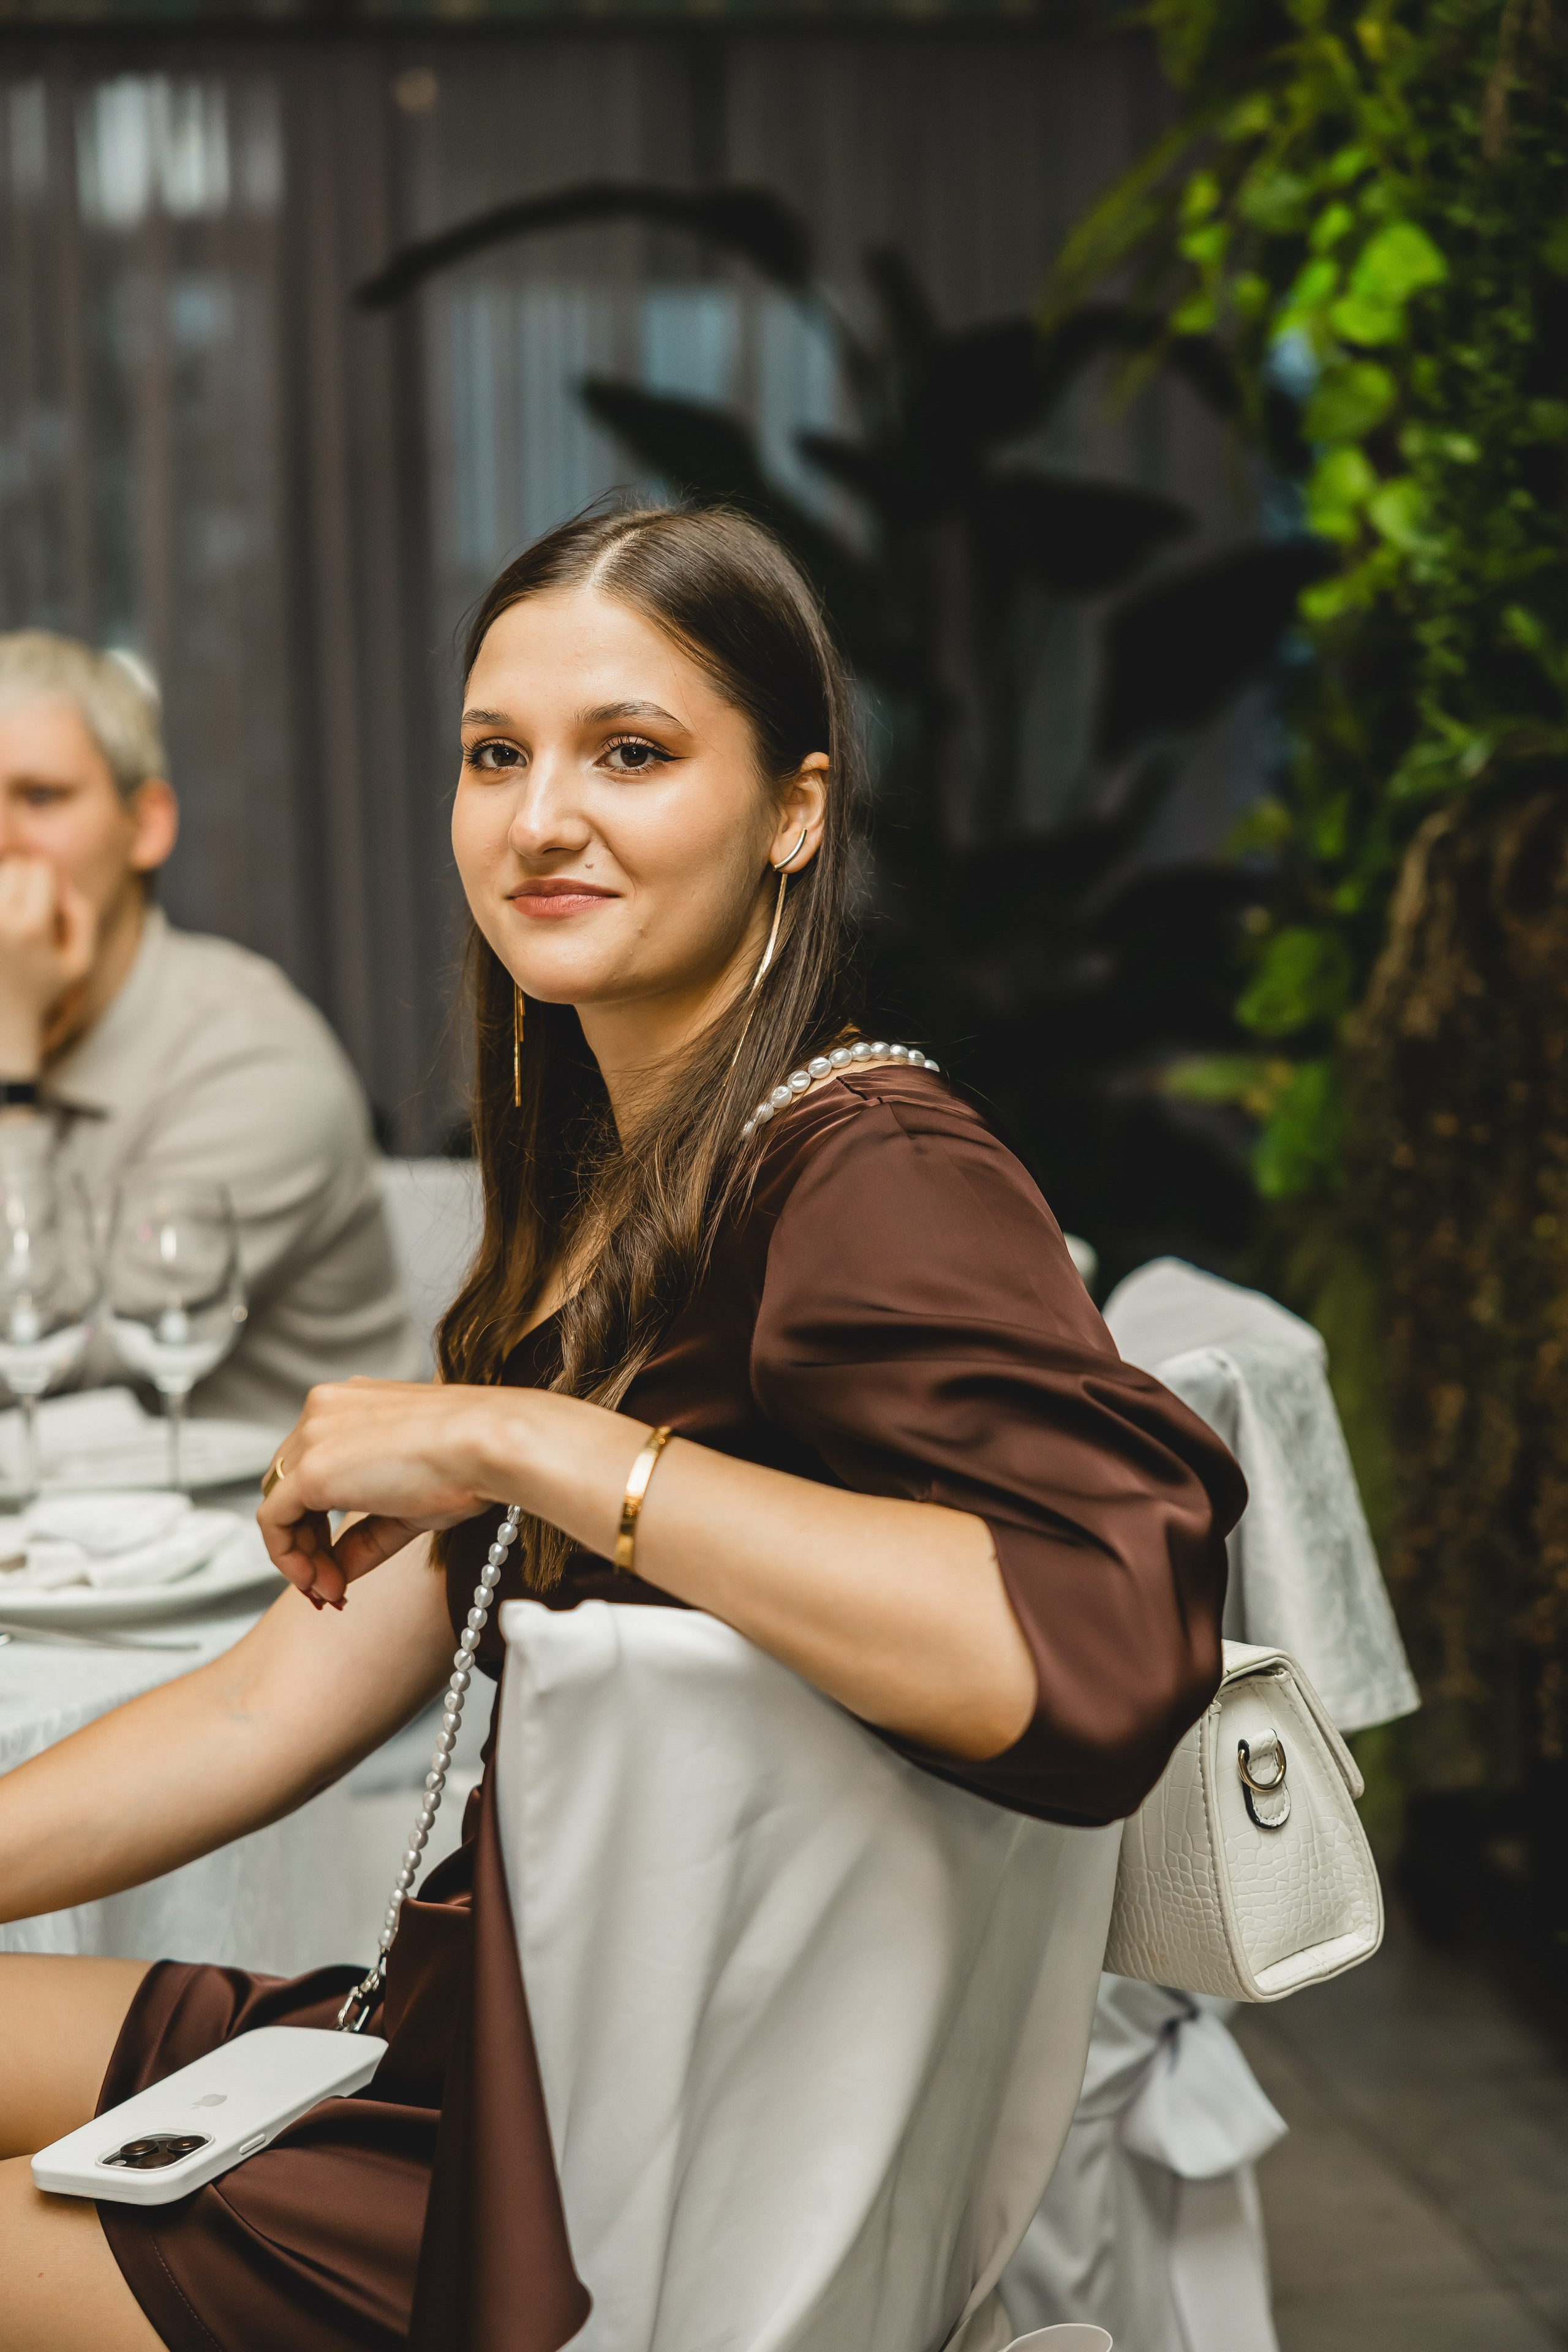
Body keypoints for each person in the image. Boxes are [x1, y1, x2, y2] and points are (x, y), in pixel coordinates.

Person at [0, 508, 1245, 2351]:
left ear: (795, 813)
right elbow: (274, 1705)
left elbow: (1107, 1643)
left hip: (591, 2182)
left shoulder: (865, 1167)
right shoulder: (623, 1189)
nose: (539, 817)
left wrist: (528, 1444)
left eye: (634, 754)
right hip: (479, 2043)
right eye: (497, 754)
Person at [0, 632, 418, 1427]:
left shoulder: (258, 1061)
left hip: (299, 1536)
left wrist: (9, 1059)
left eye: (41, 797)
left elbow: (45, 1360)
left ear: (147, 824)